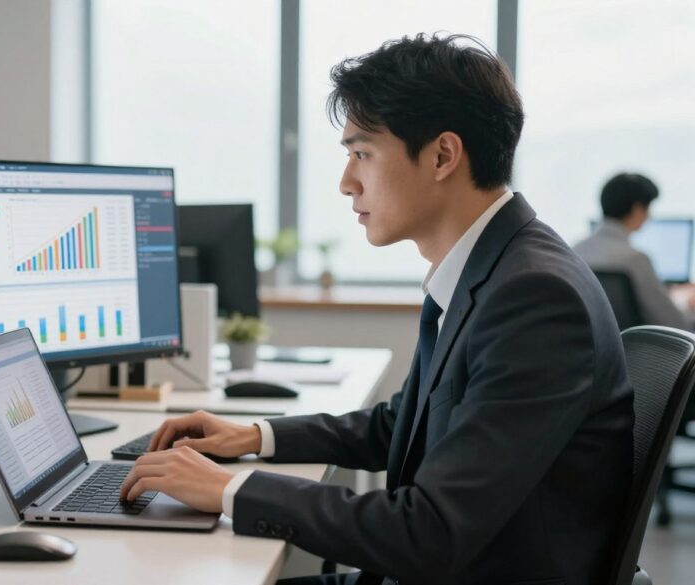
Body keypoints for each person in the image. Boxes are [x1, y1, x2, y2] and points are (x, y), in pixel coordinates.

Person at [119, 33, 634, 585]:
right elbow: (406, 423)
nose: (346, 183)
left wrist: (228, 488)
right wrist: (254, 436)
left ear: (442, 155)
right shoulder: (497, 267)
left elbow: (429, 532)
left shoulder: (533, 299)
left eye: (362, 153)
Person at [574, 173, 695, 329]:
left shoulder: (575, 251)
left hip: (596, 347)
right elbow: (672, 322)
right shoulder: (635, 260)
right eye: (648, 209)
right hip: (641, 349)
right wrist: (688, 305)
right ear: (637, 209)